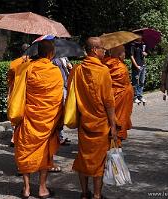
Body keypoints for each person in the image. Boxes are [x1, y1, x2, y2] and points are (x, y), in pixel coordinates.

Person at [9, 39, 63, 198]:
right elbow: (59, 100)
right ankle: (42, 189)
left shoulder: (26, 68)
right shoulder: (55, 71)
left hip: (28, 118)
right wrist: (59, 121)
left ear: (37, 52)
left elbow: (12, 72)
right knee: (44, 153)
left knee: (25, 151)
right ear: (51, 54)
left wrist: (23, 61)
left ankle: (26, 189)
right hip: (48, 120)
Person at [64, 37, 117, 199]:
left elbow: (71, 96)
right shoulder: (102, 71)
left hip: (84, 122)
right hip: (100, 123)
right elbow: (108, 102)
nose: (105, 51)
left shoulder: (77, 70)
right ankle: (97, 194)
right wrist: (113, 126)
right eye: (102, 48)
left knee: (84, 158)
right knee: (98, 161)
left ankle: (84, 193)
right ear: (94, 50)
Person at [103, 45, 134, 146]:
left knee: (112, 119)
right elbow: (123, 83)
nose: (125, 54)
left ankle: (113, 141)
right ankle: (116, 142)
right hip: (121, 97)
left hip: (111, 96)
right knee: (119, 120)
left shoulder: (104, 63)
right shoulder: (120, 67)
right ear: (118, 54)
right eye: (123, 52)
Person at [7, 43, 30, 147]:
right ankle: (21, 137)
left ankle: (14, 137)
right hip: (27, 93)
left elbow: (9, 80)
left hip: (15, 92)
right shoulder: (32, 63)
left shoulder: (14, 63)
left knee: (16, 113)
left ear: (21, 51)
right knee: (25, 116)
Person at [53, 57, 73, 145]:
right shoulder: (53, 59)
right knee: (59, 112)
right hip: (59, 86)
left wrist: (70, 67)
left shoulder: (64, 58)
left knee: (63, 112)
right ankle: (59, 136)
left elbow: (68, 68)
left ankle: (61, 135)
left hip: (66, 85)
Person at [130, 36, 148, 103]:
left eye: (141, 35)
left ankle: (140, 96)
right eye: (139, 35)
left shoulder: (143, 45)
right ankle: (135, 97)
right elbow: (131, 56)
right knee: (135, 82)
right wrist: (136, 66)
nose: (140, 37)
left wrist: (145, 54)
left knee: (141, 82)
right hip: (136, 67)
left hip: (143, 65)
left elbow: (146, 53)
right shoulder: (133, 45)